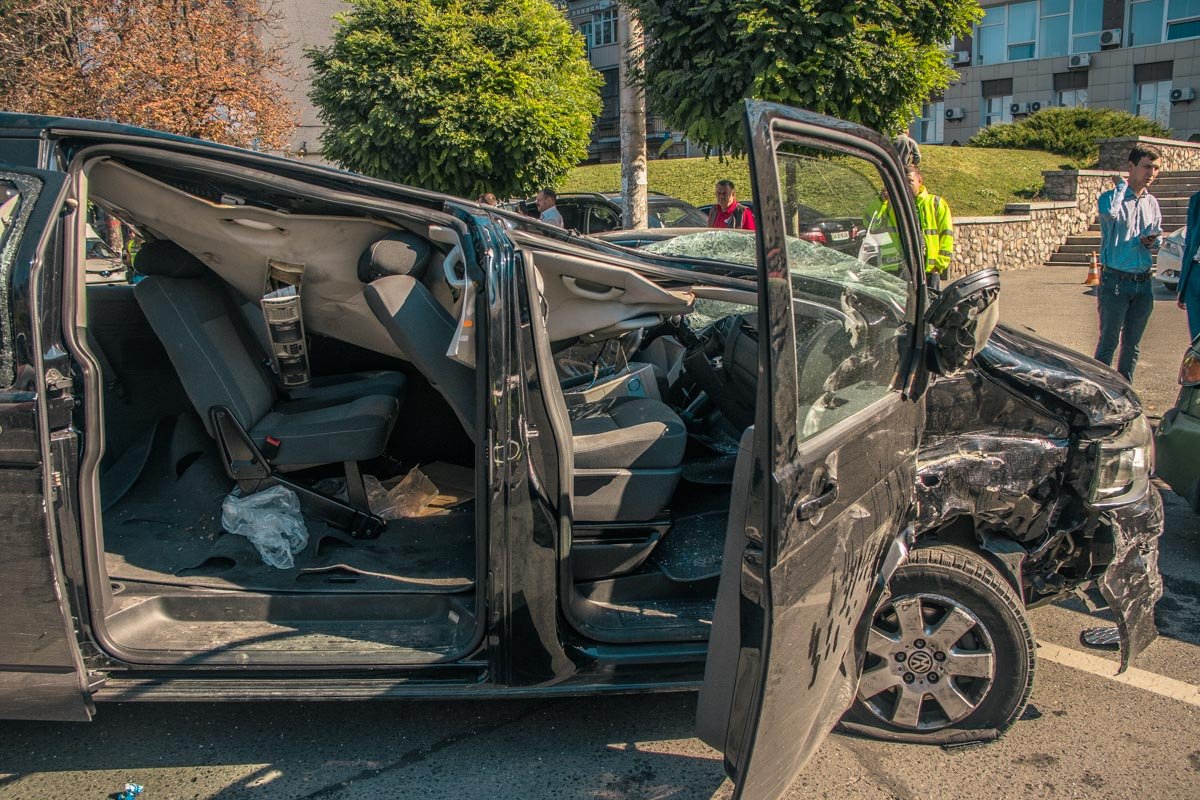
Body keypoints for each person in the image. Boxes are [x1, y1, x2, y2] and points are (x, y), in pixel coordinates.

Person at [1095, 146, 1162, 381]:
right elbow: (1110, 214)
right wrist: (1121, 187)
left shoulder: (1152, 202)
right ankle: (1098, 392)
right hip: (1116, 281)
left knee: (1132, 345)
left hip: (1143, 283)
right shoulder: (1110, 198)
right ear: (1131, 167)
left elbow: (1158, 238)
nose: (1151, 173)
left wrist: (1152, 240)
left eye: (1155, 168)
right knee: (1108, 342)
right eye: (1146, 166)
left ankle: (1125, 391)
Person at [908, 164, 954, 289]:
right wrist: (882, 201)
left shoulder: (936, 203)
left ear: (919, 181)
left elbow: (947, 235)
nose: (907, 185)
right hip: (908, 269)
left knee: (931, 304)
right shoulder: (898, 205)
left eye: (910, 181)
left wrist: (939, 265)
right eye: (904, 182)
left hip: (930, 269)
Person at [1178, 188, 1200, 340]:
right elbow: (1190, 242)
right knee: (1196, 338)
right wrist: (1182, 285)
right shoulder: (1197, 200)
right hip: (1194, 271)